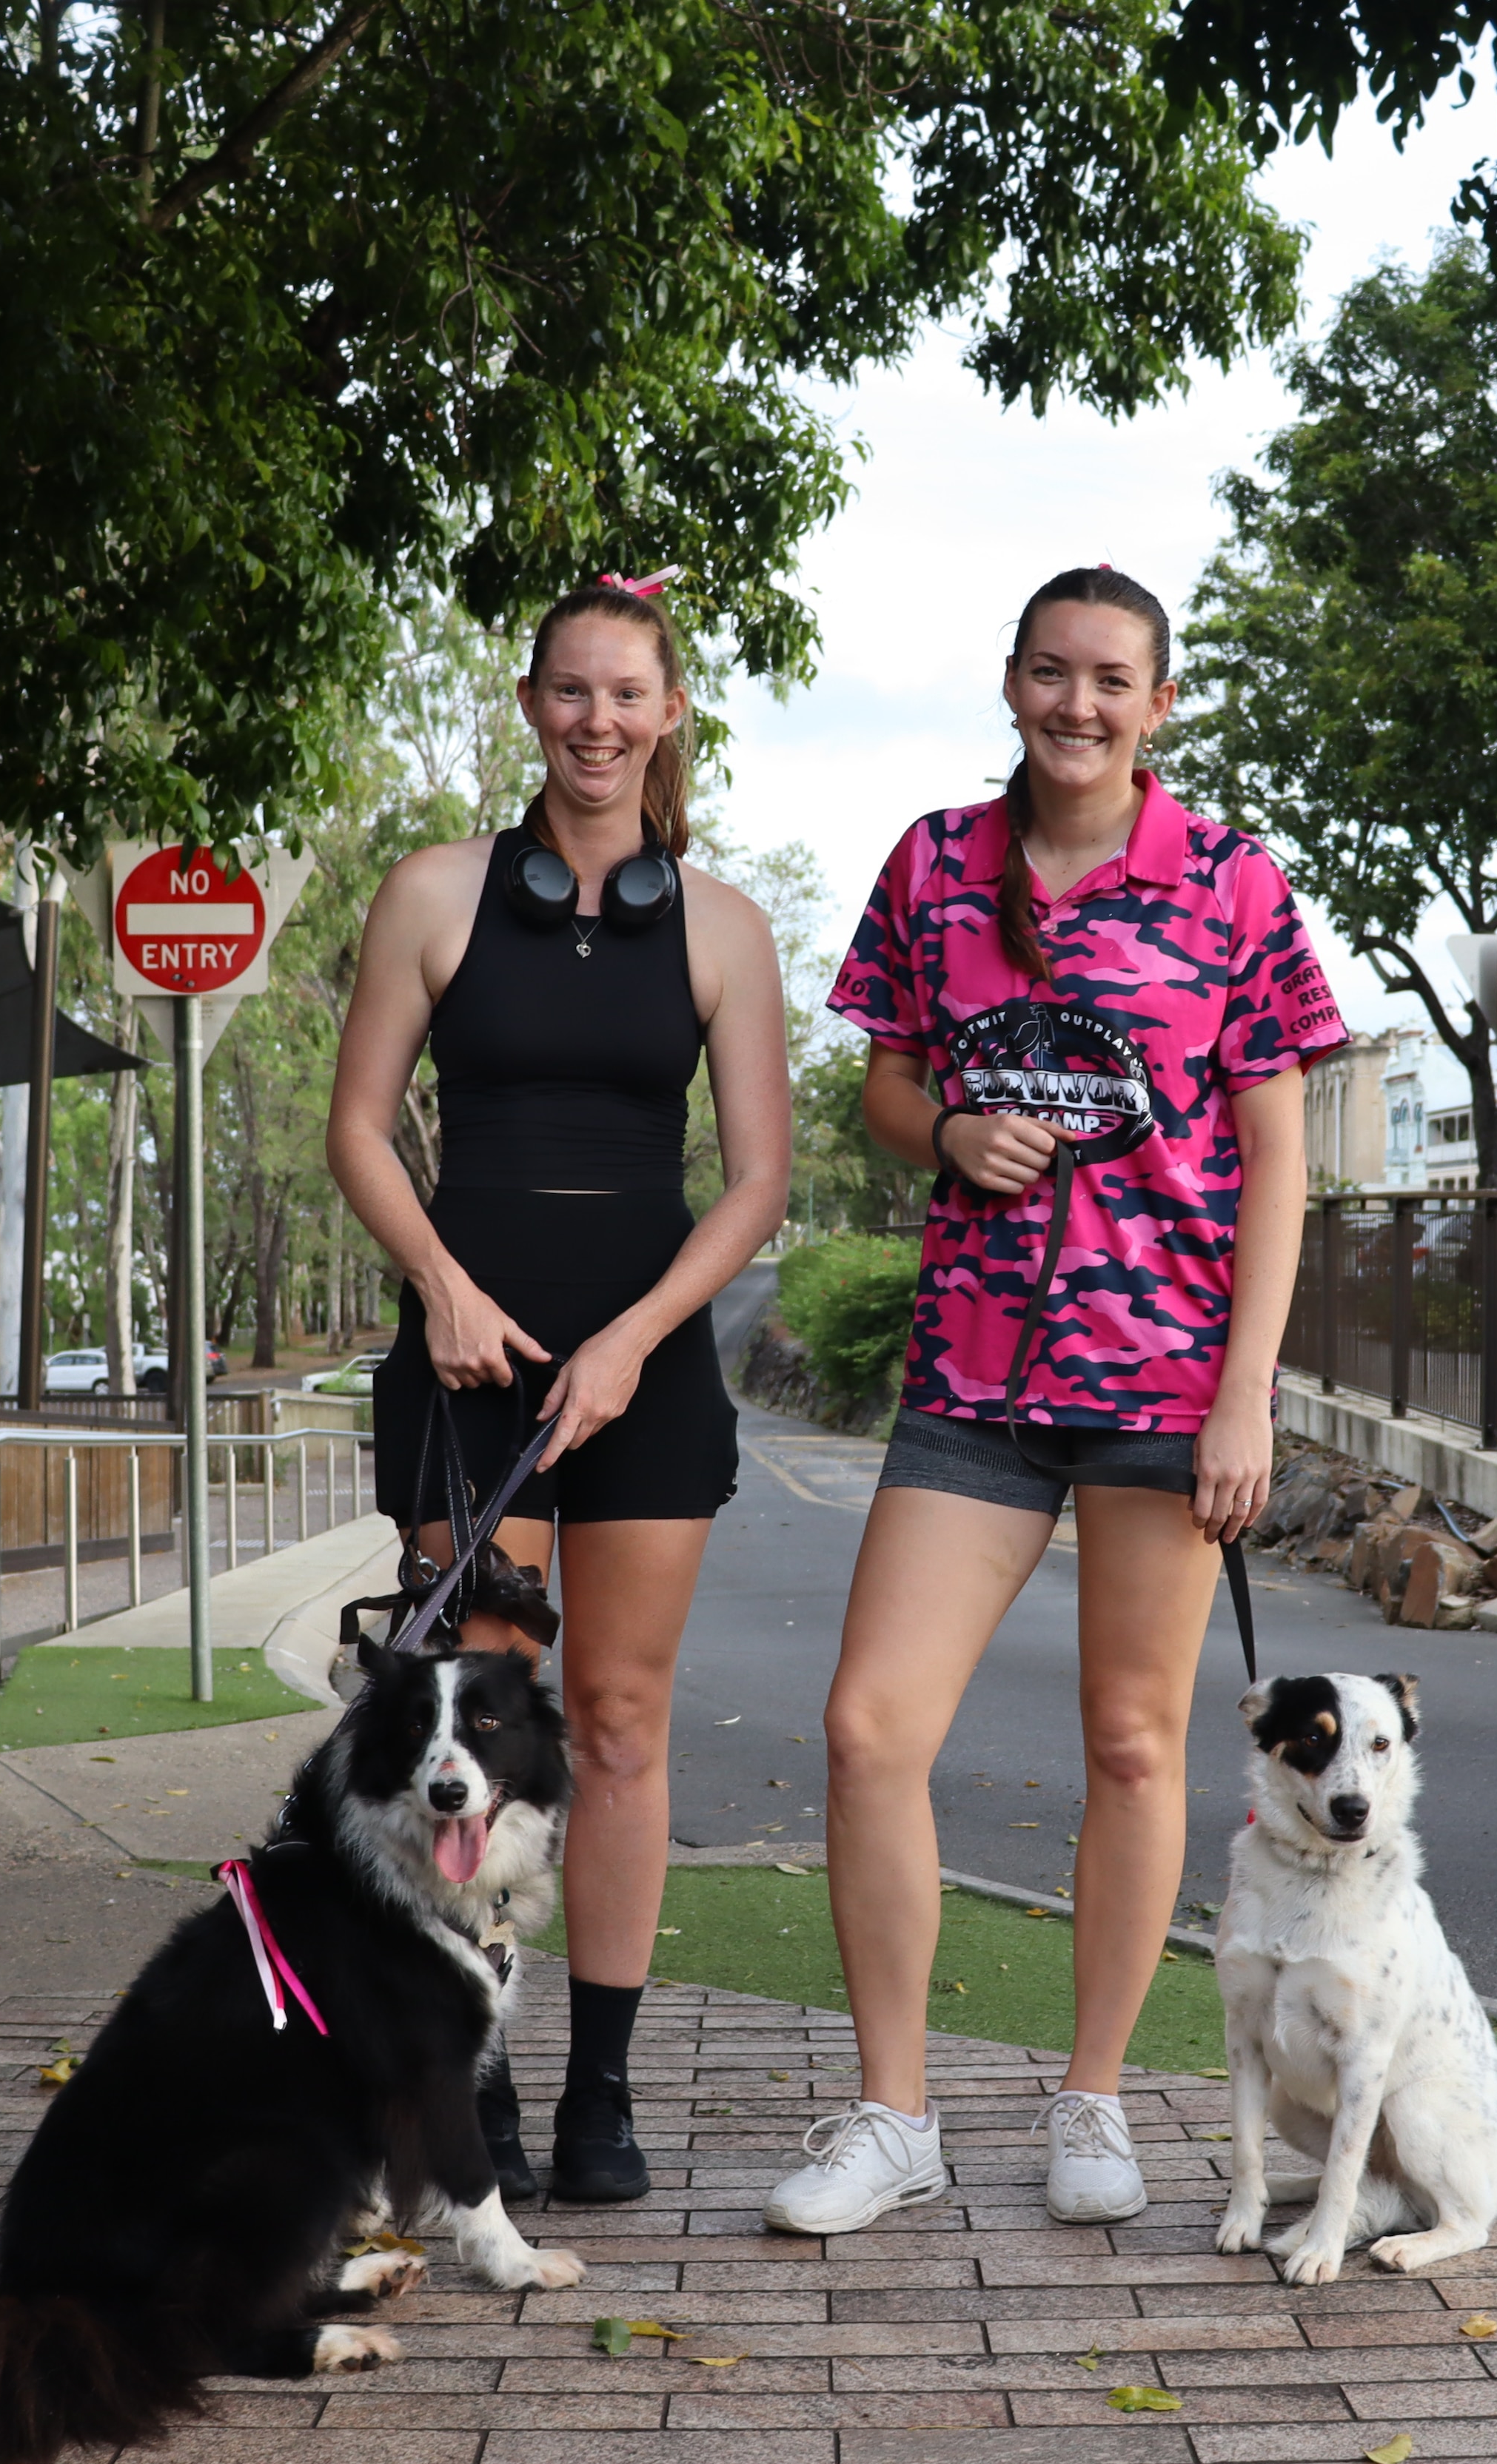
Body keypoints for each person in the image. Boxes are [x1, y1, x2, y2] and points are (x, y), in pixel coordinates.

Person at [764, 565, 1344, 2236]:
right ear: (1009, 682)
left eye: (1112, 678)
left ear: (1159, 702)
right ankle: (894, 2113)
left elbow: (1279, 1153)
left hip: (1165, 1382)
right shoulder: (935, 861)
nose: (1077, 703)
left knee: (1132, 1738)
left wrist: (1247, 1395)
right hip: (970, 1371)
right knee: (870, 1725)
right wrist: (941, 1131)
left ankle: (1092, 2095)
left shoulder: (1232, 882)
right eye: (1049, 672)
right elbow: (880, 1075)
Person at [326, 573, 791, 2204]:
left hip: (642, 1367)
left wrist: (638, 1334)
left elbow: (755, 1183)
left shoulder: (724, 925)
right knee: (470, 1731)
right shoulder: (434, 893)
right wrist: (446, 1288)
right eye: (569, 691)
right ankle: (481, 2081)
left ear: (669, 715)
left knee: (615, 1719)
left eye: (628, 694)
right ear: (531, 703)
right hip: (474, 1366)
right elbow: (360, 1126)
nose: (598, 721)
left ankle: (598, 2092)